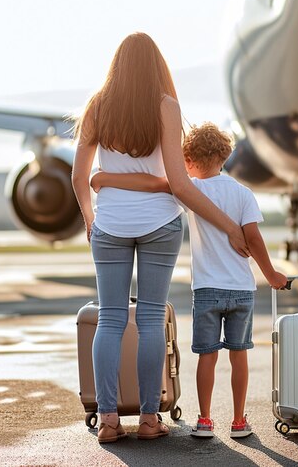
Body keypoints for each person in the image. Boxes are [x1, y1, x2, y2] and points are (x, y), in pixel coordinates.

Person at [71, 32, 249, 444]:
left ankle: (109, 420)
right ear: (157, 66)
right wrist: (230, 226)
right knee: (151, 319)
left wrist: (89, 216)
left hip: (109, 226)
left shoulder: (97, 106)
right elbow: (180, 184)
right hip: (159, 226)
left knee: (111, 320)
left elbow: (80, 176)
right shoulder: (166, 106)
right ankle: (150, 419)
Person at [91, 121, 288, 439]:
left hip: (207, 288)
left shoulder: (189, 189)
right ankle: (239, 421)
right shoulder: (243, 194)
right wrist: (270, 273)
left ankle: (206, 419)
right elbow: (252, 237)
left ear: (190, 161)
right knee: (240, 356)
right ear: (224, 156)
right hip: (241, 288)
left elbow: (155, 185)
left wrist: (101, 178)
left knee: (207, 357)